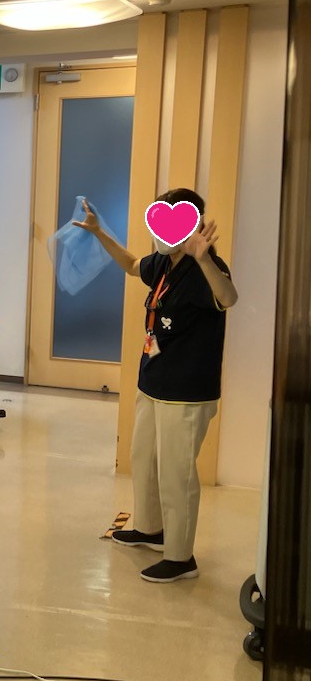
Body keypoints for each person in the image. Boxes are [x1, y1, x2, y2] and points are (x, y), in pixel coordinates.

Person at [74, 188, 238, 583]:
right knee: (144, 458)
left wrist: (204, 257)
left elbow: (228, 297)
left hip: (186, 390)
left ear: (193, 226)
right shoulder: (165, 262)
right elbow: (132, 264)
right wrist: (98, 232)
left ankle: (181, 557)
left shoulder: (205, 267)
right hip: (153, 380)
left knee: (176, 474)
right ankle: (150, 530)